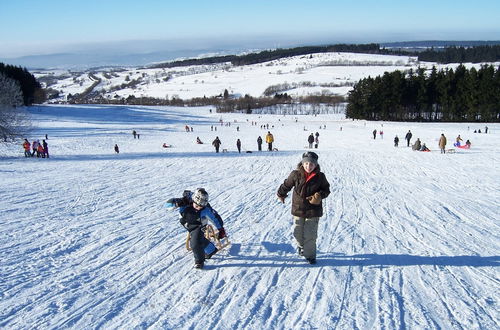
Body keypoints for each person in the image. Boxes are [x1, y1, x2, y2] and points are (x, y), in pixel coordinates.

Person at [276, 151, 330, 264]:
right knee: (297, 232)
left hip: (313, 210)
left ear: (315, 165)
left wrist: (319, 196)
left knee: (310, 234)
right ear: (302, 163)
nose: (308, 166)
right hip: (298, 209)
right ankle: (301, 246)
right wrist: (281, 194)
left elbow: (326, 190)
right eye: (306, 164)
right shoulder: (295, 174)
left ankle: (310, 255)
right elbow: (287, 185)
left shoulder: (320, 176)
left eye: (311, 164)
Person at [166, 188, 226, 269]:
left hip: (199, 225)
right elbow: (167, 205)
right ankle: (211, 249)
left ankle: (199, 261)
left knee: (195, 243)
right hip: (186, 223)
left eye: (201, 207)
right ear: (193, 200)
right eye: (197, 206)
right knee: (199, 238)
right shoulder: (185, 201)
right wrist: (177, 202)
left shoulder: (206, 209)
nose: (198, 208)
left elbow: (215, 217)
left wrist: (221, 229)